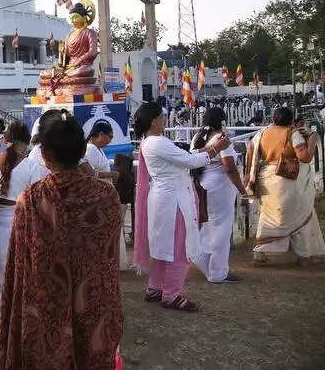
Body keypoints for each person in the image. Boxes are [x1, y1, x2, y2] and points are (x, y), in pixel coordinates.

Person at [0, 111, 122, 369]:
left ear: (45, 155)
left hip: (45, 307)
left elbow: (18, 271)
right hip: (95, 303)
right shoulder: (107, 197)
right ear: (80, 150)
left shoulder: (30, 200)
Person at [132, 102, 229, 312]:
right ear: (153, 121)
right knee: (180, 249)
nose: (165, 120)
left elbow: (185, 158)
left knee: (164, 249)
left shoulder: (150, 142)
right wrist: (216, 149)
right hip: (173, 201)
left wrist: (211, 149)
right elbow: (191, 162)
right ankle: (171, 294)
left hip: (165, 199)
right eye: (161, 117)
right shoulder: (157, 142)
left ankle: (155, 288)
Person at [0, 121, 47, 348]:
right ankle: (19, 335)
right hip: (21, 228)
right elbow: (39, 204)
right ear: (26, 142)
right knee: (22, 281)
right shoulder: (31, 167)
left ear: (6, 138)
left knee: (0, 282)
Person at [246, 107, 325, 265]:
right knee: (300, 215)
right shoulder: (292, 134)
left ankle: (260, 254)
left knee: (268, 217)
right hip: (288, 182)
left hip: (267, 181)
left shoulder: (261, 134)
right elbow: (305, 157)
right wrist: (312, 137)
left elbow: (251, 152)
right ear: (290, 121)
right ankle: (303, 255)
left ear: (274, 119)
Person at [191, 108, 248, 282]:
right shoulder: (221, 139)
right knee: (222, 230)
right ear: (222, 122)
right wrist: (242, 189)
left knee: (209, 227)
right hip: (221, 188)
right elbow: (229, 167)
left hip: (204, 185)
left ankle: (204, 261)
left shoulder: (197, 137)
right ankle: (218, 272)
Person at [80, 122, 128, 270]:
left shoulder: (97, 149)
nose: (110, 141)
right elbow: (88, 175)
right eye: (110, 137)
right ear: (100, 135)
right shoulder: (91, 150)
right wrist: (109, 174)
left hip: (104, 193)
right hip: (97, 195)